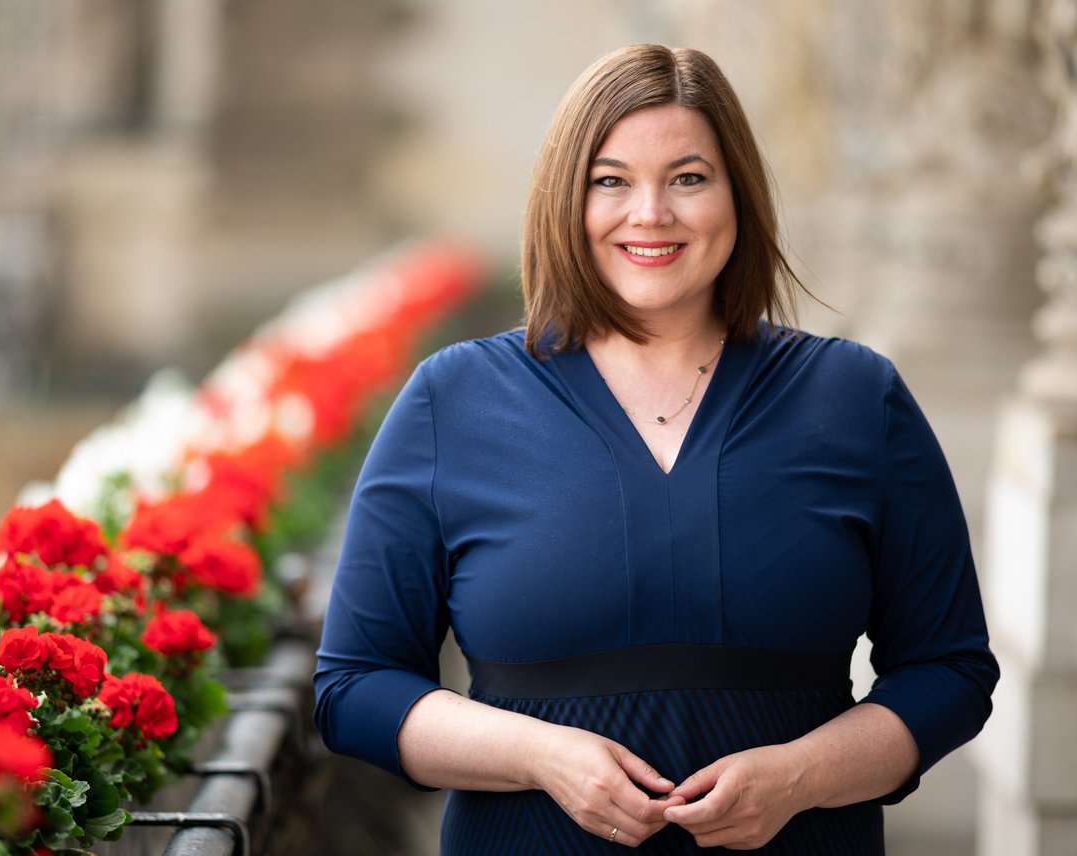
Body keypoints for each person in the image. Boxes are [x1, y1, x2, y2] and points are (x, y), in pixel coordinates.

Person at [313, 44, 997, 854]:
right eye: (611, 181)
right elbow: (355, 688)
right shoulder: (453, 400)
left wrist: (801, 777)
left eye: (689, 177)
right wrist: (540, 756)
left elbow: (950, 672)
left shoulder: (855, 398)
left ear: (737, 195)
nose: (651, 213)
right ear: (567, 201)